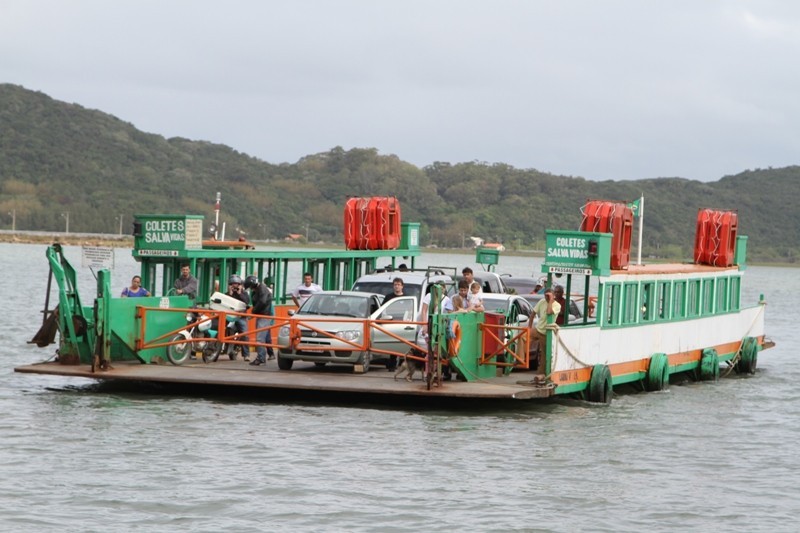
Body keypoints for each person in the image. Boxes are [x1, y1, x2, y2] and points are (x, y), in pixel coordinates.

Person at [527, 287, 561, 375]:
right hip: (538, 329)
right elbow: (533, 314)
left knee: (544, 354)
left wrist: (550, 300)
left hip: (546, 333)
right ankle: (520, 359)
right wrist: (529, 327)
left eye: (548, 296)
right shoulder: (542, 301)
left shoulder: (557, 305)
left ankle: (541, 373)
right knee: (523, 337)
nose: (546, 297)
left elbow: (549, 312)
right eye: (545, 296)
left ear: (553, 296)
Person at [244, 275, 274, 366]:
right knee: (265, 337)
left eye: (250, 287)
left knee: (260, 338)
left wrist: (253, 311)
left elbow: (262, 302)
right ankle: (267, 355)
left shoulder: (261, 289)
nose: (251, 289)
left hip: (263, 316)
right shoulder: (261, 289)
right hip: (263, 315)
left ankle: (261, 358)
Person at [226, 275, 251, 361]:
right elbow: (224, 302)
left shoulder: (244, 294)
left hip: (241, 317)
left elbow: (246, 302)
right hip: (229, 316)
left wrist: (239, 293)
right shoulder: (228, 294)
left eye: (237, 284)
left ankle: (246, 355)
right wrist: (230, 294)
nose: (235, 286)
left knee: (244, 334)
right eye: (233, 284)